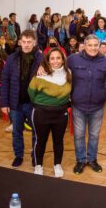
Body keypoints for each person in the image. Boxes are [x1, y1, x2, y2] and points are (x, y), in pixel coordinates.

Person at [67, 34, 106, 174]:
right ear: (84, 46)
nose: (93, 48)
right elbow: (56, 66)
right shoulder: (73, 59)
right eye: (90, 45)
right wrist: (42, 67)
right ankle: (80, 160)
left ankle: (92, 159)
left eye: (95, 45)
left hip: (97, 107)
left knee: (94, 135)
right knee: (79, 135)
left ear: (99, 47)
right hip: (78, 106)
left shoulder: (105, 62)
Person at [0, 30, 44, 168]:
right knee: (16, 132)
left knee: (36, 132)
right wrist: (4, 102)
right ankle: (18, 155)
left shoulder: (41, 59)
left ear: (34, 42)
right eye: (23, 42)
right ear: (20, 42)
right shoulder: (12, 58)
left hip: (34, 104)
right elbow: (5, 80)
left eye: (29, 42)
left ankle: (35, 156)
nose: (26, 45)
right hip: (15, 103)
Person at [29, 48, 71, 178]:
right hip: (41, 114)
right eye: (52, 58)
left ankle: (57, 165)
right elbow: (31, 92)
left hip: (61, 115)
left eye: (58, 58)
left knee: (58, 141)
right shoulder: (40, 74)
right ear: (47, 60)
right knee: (40, 141)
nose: (55, 61)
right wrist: (41, 105)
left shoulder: (68, 73)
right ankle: (38, 165)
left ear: (63, 59)